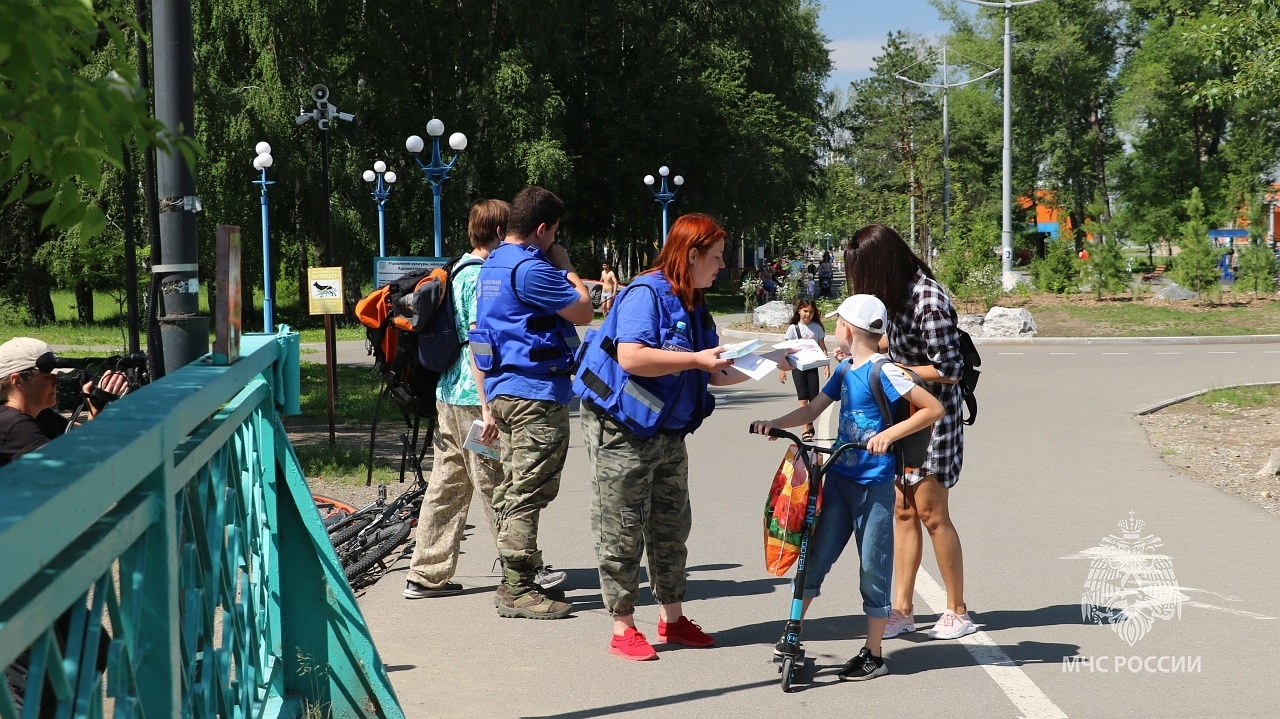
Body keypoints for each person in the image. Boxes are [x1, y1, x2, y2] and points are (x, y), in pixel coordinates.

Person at [574, 213, 750, 660]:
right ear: (691, 255)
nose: (722, 265)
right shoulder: (644, 294)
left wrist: (774, 364)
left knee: (671, 526)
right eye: (716, 256)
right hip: (624, 430)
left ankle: (672, 619)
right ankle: (622, 626)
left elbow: (712, 369)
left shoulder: (692, 300)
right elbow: (632, 358)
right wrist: (696, 361)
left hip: (668, 432)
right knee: (621, 527)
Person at [751, 294, 943, 681]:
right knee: (814, 556)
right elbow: (811, 410)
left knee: (872, 567)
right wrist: (775, 423)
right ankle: (792, 629)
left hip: (872, 486)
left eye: (838, 324)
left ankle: (873, 654)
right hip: (837, 479)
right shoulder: (842, 371)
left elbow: (932, 409)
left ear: (847, 330)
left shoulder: (884, 371)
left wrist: (888, 435)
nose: (836, 329)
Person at [845, 223, 975, 641]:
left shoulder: (928, 298)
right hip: (902, 415)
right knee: (902, 510)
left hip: (933, 419)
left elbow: (950, 368)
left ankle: (957, 609)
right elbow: (893, 347)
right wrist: (866, 352)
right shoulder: (896, 296)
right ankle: (901, 609)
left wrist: (895, 371)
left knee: (933, 514)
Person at [470, 186, 594, 619]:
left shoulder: (492, 264)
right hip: (533, 395)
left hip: (504, 391)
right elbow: (583, 311)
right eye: (554, 233)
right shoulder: (531, 267)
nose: (555, 241)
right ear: (542, 229)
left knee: (515, 486)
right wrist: (566, 265)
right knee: (527, 489)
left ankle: (518, 575)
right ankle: (517, 589)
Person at [404, 199, 509, 600]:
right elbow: (478, 343)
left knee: (446, 484)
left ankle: (425, 574)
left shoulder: (456, 269)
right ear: (499, 233)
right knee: (496, 482)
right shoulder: (482, 277)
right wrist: (487, 406)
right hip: (472, 396)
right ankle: (522, 569)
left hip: (448, 392)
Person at [0, 337, 128, 466]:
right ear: (18, 381)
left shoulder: (42, 416)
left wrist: (97, 409)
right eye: (48, 376)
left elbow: (88, 439)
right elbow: (66, 469)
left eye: (56, 375)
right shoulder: (14, 425)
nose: (56, 382)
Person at [776, 297, 830, 442]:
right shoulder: (793, 328)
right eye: (805, 311)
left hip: (812, 366)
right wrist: (782, 370)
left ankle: (809, 420)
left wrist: (826, 365)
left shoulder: (817, 327)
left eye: (811, 312)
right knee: (802, 396)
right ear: (799, 310)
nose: (808, 314)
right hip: (797, 366)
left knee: (814, 397)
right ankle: (804, 429)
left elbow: (822, 347)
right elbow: (785, 350)